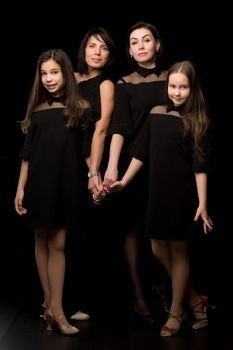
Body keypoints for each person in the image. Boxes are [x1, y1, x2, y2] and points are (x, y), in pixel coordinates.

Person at [109, 60, 214, 336]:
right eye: (173, 87)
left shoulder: (197, 121)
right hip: (157, 192)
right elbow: (140, 153)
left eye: (183, 87)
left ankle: (177, 312)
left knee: (178, 251)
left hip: (183, 195)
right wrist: (124, 181)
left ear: (193, 89)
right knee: (157, 249)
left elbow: (200, 166)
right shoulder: (156, 113)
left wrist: (202, 203)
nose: (177, 92)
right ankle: (194, 298)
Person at [14, 48, 94, 335]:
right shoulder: (36, 110)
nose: (48, 78)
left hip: (66, 183)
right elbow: (27, 154)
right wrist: (20, 188)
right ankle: (52, 309)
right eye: (44, 73)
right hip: (38, 183)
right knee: (41, 240)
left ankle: (55, 309)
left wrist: (93, 177)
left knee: (58, 243)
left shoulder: (82, 108)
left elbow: (87, 152)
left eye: (54, 72)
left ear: (66, 73)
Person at [103, 21, 168, 322]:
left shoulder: (173, 77)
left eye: (146, 40)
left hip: (168, 165)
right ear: (129, 50)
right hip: (133, 165)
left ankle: (171, 291)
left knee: (166, 233)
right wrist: (113, 168)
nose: (140, 45)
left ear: (157, 44)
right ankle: (139, 293)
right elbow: (118, 128)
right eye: (134, 42)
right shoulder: (124, 83)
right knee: (132, 231)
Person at [70, 27, 116, 321]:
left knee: (92, 233)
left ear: (109, 54)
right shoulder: (70, 80)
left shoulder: (107, 83)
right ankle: (60, 301)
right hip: (64, 158)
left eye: (102, 47)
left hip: (90, 161)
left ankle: (90, 303)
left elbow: (101, 128)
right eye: (91, 46)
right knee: (66, 231)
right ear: (83, 51)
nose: (96, 52)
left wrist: (93, 172)